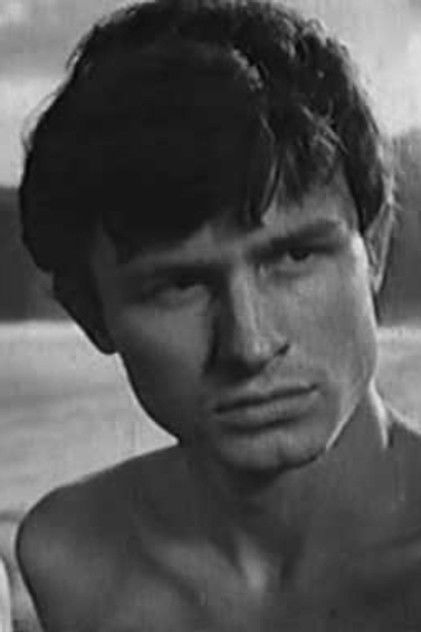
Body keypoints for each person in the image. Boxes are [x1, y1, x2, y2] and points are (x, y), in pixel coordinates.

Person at [15, 1, 421, 630]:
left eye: (294, 256)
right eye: (179, 285)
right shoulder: (68, 559)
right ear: (91, 314)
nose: (250, 345)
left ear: (376, 249)